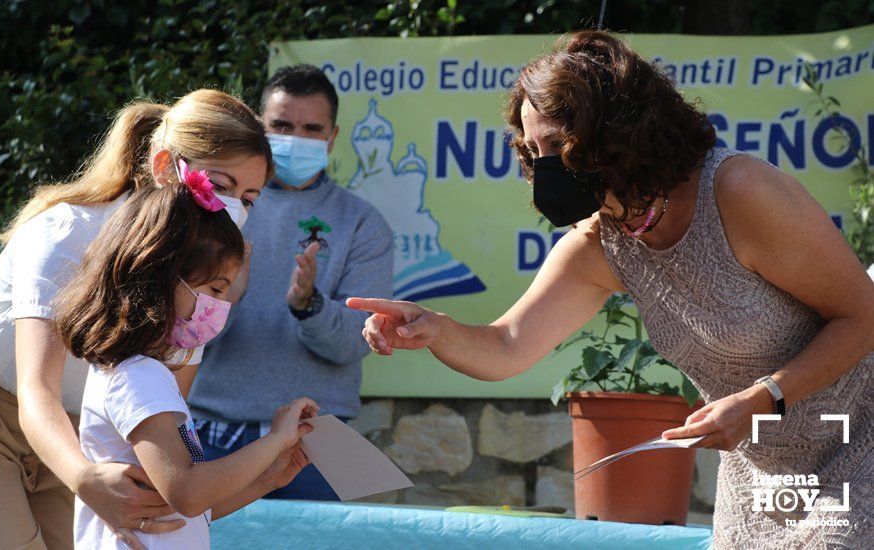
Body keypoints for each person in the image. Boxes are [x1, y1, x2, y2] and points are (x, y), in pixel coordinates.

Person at [348, 31, 874, 548]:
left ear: (615, 129)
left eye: (557, 142)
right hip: (761, 473)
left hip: (860, 442)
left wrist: (764, 397)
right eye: (533, 150)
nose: (544, 164)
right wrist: (433, 329)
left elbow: (863, 315)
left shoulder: (738, 190)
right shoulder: (600, 243)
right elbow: (507, 345)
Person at [0, 89, 271, 549]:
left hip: (80, 438)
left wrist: (256, 477)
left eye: (249, 197)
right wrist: (86, 480)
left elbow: (168, 425)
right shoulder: (66, 232)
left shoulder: (198, 278)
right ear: (163, 167)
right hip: (0, 420)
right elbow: (37, 391)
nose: (232, 208)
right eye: (220, 185)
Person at [54, 166, 317, 549]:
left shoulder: (144, 372)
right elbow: (188, 492)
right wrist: (275, 441)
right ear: (161, 275)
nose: (221, 305)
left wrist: (267, 478)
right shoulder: (139, 377)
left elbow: (182, 510)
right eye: (215, 288)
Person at [189, 65, 394, 500]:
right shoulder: (214, 208)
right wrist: (228, 296)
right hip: (211, 433)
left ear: (333, 138)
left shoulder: (363, 223)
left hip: (319, 439)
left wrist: (309, 305)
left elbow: (354, 344)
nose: (295, 138)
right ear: (259, 129)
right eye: (281, 125)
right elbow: (178, 333)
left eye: (311, 128)